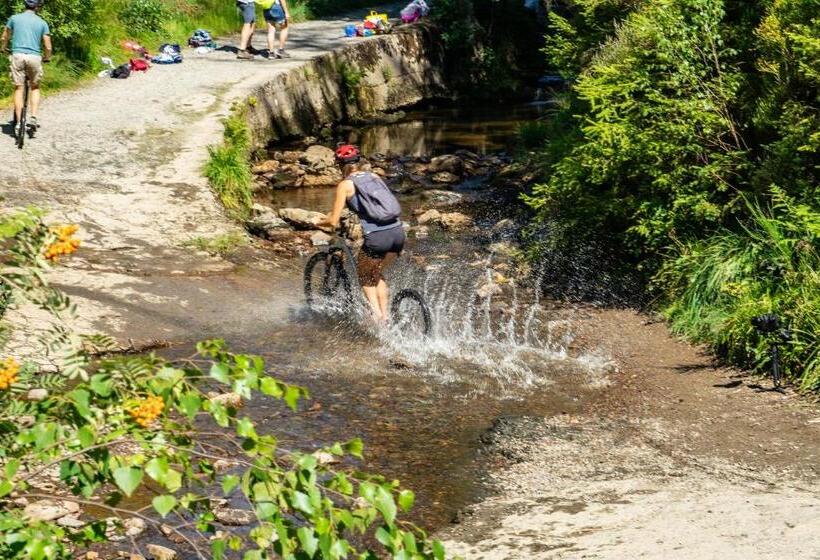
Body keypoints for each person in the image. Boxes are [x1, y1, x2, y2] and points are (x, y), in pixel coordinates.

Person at [321, 145, 406, 325]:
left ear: (339, 166)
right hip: (398, 233)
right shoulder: (375, 176)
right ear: (358, 162)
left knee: (365, 277)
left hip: (377, 238)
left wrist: (317, 222)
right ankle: (387, 317)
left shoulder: (345, 185)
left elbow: (333, 221)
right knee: (376, 273)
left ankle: (377, 317)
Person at [1, 0, 52, 137]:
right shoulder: (42, 22)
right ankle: (33, 117)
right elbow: (48, 46)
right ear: (37, 7)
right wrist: (47, 57)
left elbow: (5, 36)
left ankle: (18, 123)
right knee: (35, 87)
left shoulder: (14, 18)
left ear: (25, 5)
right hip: (34, 57)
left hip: (17, 55)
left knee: (19, 88)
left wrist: (3, 48)